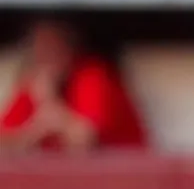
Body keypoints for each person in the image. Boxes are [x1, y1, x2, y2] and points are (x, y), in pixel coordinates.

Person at [1, 17, 146, 153]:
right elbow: (4, 143)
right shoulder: (37, 81)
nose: (46, 55)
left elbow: (84, 143)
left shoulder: (92, 75)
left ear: (70, 47)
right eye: (40, 46)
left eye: (53, 45)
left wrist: (47, 100)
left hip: (129, 173)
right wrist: (33, 132)